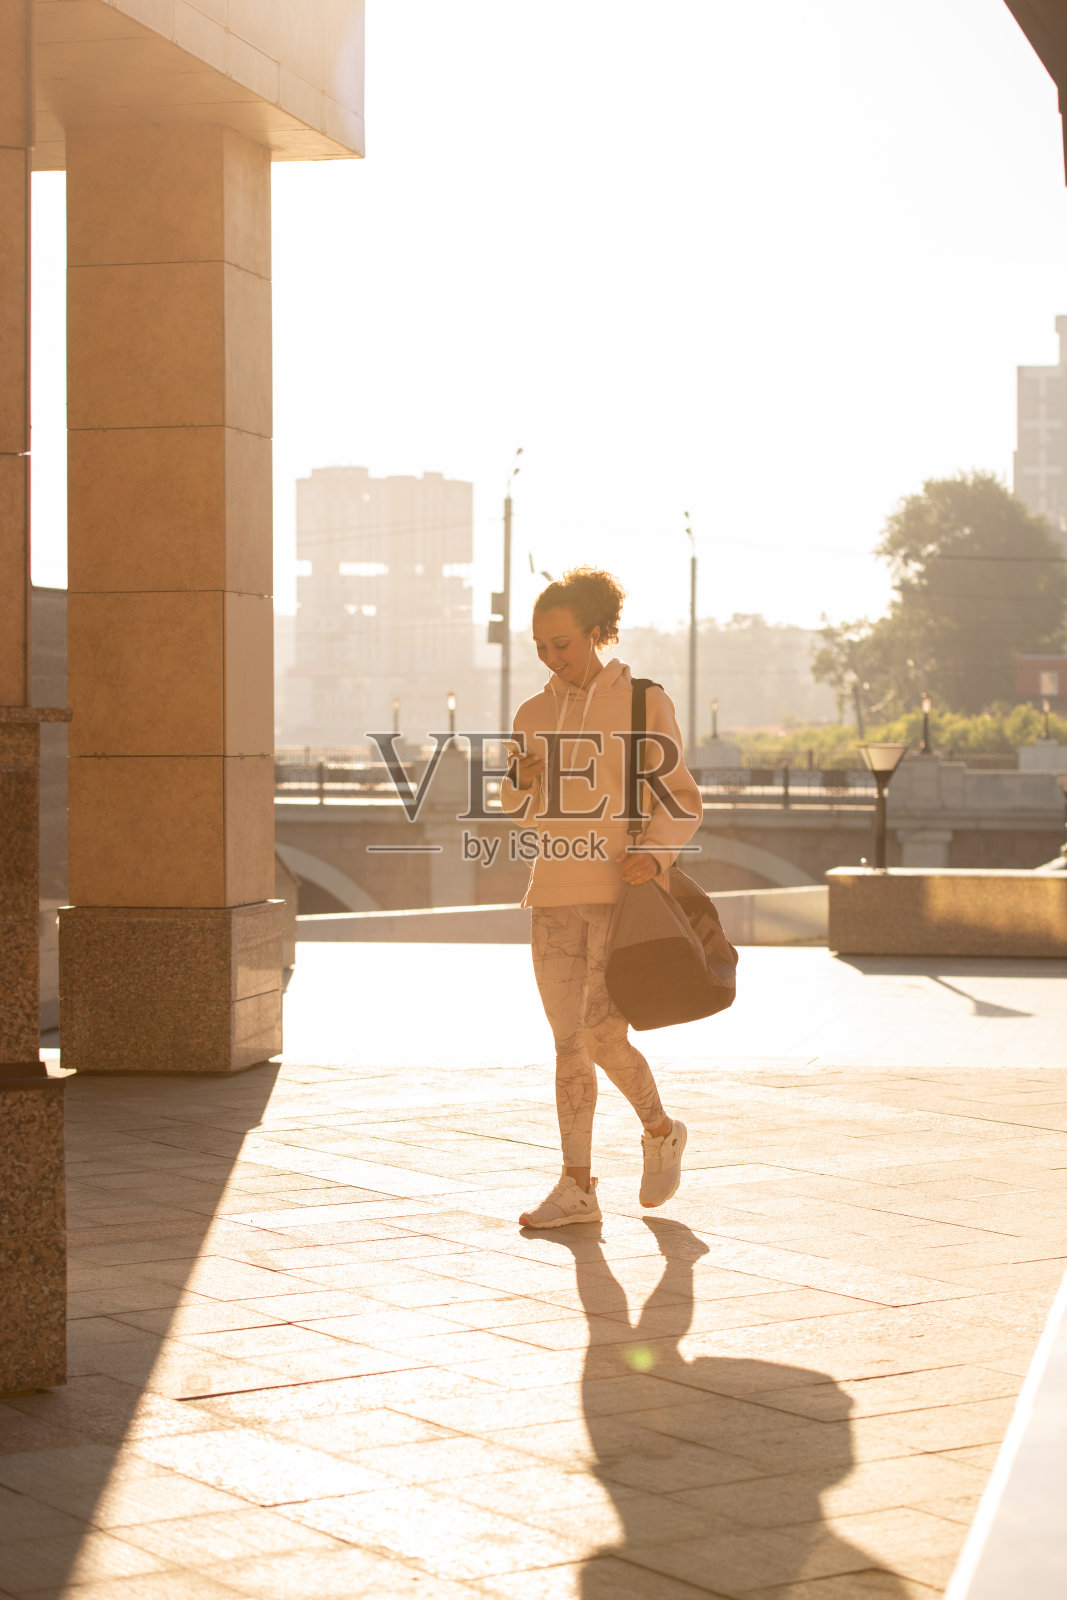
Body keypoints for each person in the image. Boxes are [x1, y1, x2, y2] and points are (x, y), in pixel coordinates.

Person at [499, 567, 702, 1229]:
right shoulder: (531, 715)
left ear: (595, 632)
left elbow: (680, 798)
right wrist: (520, 780)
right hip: (552, 893)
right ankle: (577, 1186)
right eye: (539, 646)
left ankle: (660, 1131)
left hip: (621, 894)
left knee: (603, 1035)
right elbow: (519, 811)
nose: (550, 657)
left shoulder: (643, 703)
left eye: (560, 643)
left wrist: (656, 852)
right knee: (568, 1044)